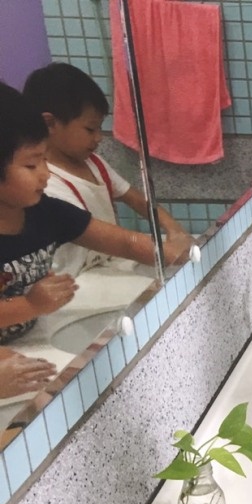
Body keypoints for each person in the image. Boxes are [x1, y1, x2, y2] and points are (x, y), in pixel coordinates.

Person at [0, 83, 190, 343]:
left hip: (29, 341)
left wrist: (176, 254)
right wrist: (29, 306)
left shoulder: (45, 211)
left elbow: (125, 242)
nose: (45, 174)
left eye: (44, 160)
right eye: (31, 165)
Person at [22, 63, 188, 276]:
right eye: (90, 129)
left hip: (110, 261)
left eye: (100, 128)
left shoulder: (94, 163)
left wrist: (173, 228)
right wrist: (171, 254)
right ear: (49, 124)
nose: (99, 137)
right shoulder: (48, 185)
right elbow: (123, 243)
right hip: (78, 277)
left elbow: (137, 200)